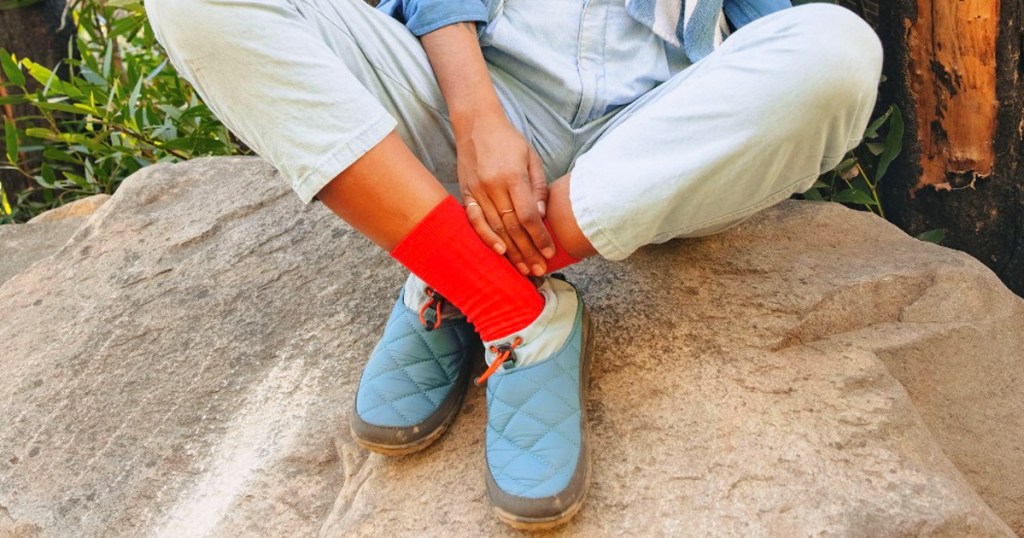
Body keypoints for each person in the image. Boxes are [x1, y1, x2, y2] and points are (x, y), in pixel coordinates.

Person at [145, 0, 882, 529]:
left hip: (647, 142)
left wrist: (741, 136)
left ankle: (461, 260)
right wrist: (478, 121)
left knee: (840, 49)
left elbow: (778, 39)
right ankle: (510, 308)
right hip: (461, 105)